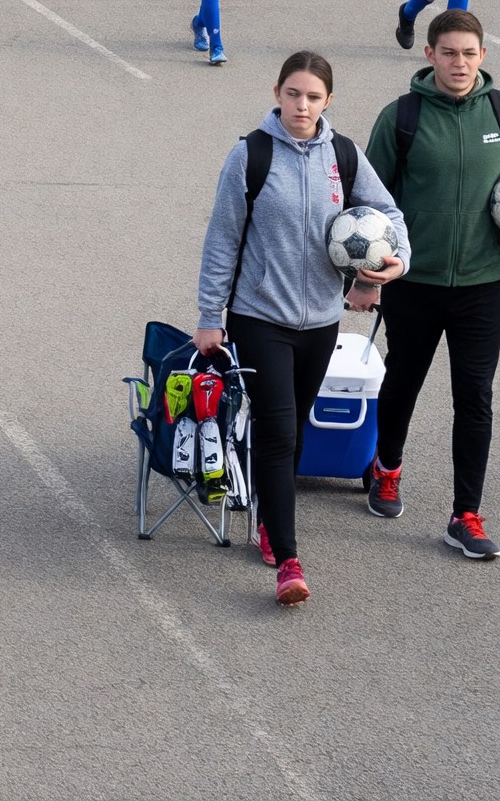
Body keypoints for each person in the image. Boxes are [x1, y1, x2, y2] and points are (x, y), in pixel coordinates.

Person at [192, 51, 408, 606]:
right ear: (277, 92)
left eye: (313, 96)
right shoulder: (251, 155)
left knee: (292, 434)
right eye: (293, 94)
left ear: (328, 100)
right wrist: (210, 318)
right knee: (279, 428)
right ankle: (288, 559)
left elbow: (389, 218)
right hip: (259, 316)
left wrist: (388, 268)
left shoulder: (345, 155)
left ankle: (268, 516)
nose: (302, 105)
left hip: (321, 321)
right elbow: (222, 240)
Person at [362, 10, 500, 561]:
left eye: (470, 53)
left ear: (483, 56)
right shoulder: (401, 117)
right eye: (450, 52)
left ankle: (466, 515)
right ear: (429, 54)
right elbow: (369, 202)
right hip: (415, 282)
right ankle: (386, 470)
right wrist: (367, 274)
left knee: (474, 398)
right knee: (402, 382)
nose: (460, 63)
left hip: (484, 285)